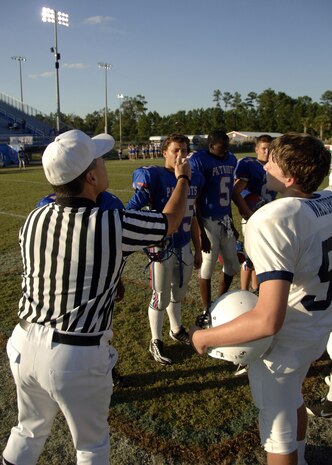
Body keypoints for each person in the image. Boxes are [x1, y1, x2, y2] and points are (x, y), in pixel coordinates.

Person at [2, 129, 191, 465]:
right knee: (91, 447)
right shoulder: (112, 221)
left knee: (27, 432)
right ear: (90, 176)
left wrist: (106, 278)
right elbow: (171, 221)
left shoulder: (34, 218)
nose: (104, 165)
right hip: (74, 352)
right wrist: (182, 180)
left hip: (23, 340)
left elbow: (63, 263)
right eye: (100, 160)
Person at [190, 133, 332, 465]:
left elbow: (268, 319)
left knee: (276, 427)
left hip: (284, 343)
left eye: (272, 161)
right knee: (292, 399)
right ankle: (302, 458)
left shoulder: (274, 219)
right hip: (317, 327)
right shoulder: (326, 201)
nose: (264, 164)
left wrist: (204, 337)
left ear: (290, 177)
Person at [127, 133, 204, 365]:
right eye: (175, 151)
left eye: (184, 150)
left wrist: (199, 247)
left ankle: (176, 328)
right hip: (160, 247)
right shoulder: (154, 176)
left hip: (183, 245)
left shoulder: (193, 177)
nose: (181, 155)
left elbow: (191, 215)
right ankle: (156, 340)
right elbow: (129, 211)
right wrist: (149, 228)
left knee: (178, 293)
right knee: (161, 296)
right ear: (164, 153)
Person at [189, 129, 240, 309]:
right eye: (221, 147)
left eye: (227, 147)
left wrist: (232, 223)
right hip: (208, 220)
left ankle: (220, 300)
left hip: (224, 219)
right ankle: (206, 307)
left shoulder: (231, 159)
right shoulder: (199, 161)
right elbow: (195, 199)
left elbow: (226, 196)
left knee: (233, 265)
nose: (225, 151)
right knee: (208, 266)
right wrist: (201, 232)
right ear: (210, 146)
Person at [233, 134, 276, 294]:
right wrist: (247, 212)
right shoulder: (249, 164)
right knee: (251, 256)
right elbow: (236, 191)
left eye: (270, 148)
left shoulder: (275, 165)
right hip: (254, 215)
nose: (267, 152)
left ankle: (255, 287)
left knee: (262, 255)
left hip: (270, 214)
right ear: (256, 149)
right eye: (264, 148)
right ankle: (244, 291)